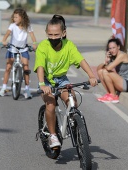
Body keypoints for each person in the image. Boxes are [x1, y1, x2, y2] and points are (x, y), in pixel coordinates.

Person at [34, 14, 98, 148]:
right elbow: (40, 66)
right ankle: (52, 135)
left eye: (56, 35)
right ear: (46, 33)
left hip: (62, 79)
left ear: (63, 33)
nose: (52, 38)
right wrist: (42, 84)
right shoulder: (43, 46)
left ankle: (76, 126)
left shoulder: (69, 46)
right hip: (46, 80)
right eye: (50, 35)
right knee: (50, 104)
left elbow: (81, 60)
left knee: (72, 101)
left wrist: (91, 76)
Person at [0, 8, 37, 99]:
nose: (14, 19)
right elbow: (7, 34)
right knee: (8, 67)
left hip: (23, 49)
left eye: (16, 17)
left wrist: (35, 44)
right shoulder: (12, 26)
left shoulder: (28, 26)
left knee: (26, 68)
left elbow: (33, 37)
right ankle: (3, 88)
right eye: (14, 17)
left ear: (22, 18)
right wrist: (4, 40)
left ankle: (27, 89)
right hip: (12, 49)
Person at [97, 38, 128, 103]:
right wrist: (105, 61)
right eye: (110, 48)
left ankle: (113, 96)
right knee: (100, 72)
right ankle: (109, 94)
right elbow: (98, 69)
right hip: (120, 82)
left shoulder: (122, 55)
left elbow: (108, 68)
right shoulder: (114, 56)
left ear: (118, 47)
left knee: (105, 72)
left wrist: (107, 64)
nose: (112, 50)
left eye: (113, 48)